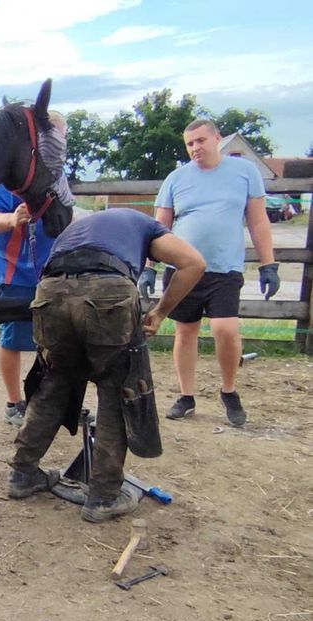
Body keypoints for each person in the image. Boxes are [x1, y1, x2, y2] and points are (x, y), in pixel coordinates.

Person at [7, 208, 205, 522]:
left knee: (54, 383)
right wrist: (161, 311)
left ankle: (22, 474)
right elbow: (194, 263)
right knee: (116, 390)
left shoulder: (81, 229)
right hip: (107, 291)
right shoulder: (147, 225)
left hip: (50, 292)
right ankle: (103, 496)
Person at [141, 119, 279, 426]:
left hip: (224, 266)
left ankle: (229, 391)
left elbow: (258, 221)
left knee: (225, 329)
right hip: (183, 268)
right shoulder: (176, 179)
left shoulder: (245, 173)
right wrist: (149, 267)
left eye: (201, 140)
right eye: (189, 144)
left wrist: (268, 263)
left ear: (217, 138)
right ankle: (186, 396)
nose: (195, 148)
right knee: (185, 331)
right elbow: (159, 227)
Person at [0, 112, 70, 427]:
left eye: (62, 136)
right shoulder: (9, 179)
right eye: (51, 136)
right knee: (13, 339)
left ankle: (46, 399)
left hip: (56, 273)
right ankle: (14, 402)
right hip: (15, 272)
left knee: (56, 340)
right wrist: (12, 219)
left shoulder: (59, 178)